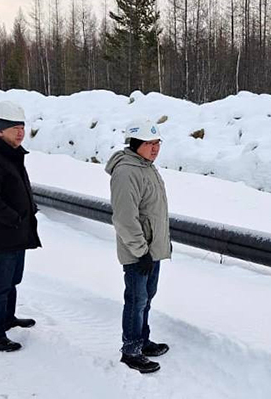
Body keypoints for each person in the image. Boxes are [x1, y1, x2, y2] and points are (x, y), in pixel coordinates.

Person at [106, 119, 172, 374]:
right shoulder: (126, 172)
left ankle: (142, 340)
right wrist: (141, 251)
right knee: (136, 300)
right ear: (135, 144)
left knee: (146, 298)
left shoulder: (146, 166)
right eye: (149, 143)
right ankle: (131, 350)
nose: (155, 149)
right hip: (138, 253)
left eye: (157, 143)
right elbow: (124, 218)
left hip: (151, 249)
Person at [0, 100, 41, 352]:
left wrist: (28, 212)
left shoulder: (13, 155)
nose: (21, 132)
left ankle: (7, 318)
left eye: (22, 127)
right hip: (3, 234)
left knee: (13, 280)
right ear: (0, 130)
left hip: (19, 231)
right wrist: (14, 219)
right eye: (15, 128)